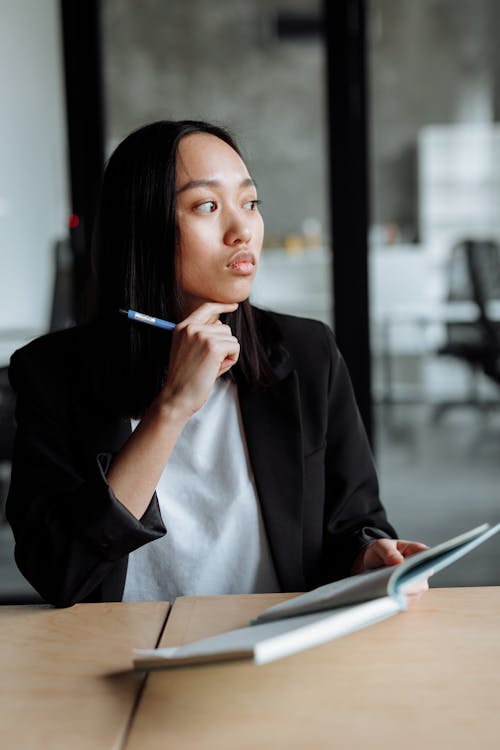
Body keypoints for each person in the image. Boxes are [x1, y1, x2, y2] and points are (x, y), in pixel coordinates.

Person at [6, 120, 427, 608]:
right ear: (142, 228)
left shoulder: (309, 355)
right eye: (207, 206)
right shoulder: (52, 374)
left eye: (249, 203)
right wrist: (171, 409)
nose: (242, 229)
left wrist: (369, 556)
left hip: (275, 652)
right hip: (117, 657)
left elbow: (352, 525)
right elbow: (59, 573)